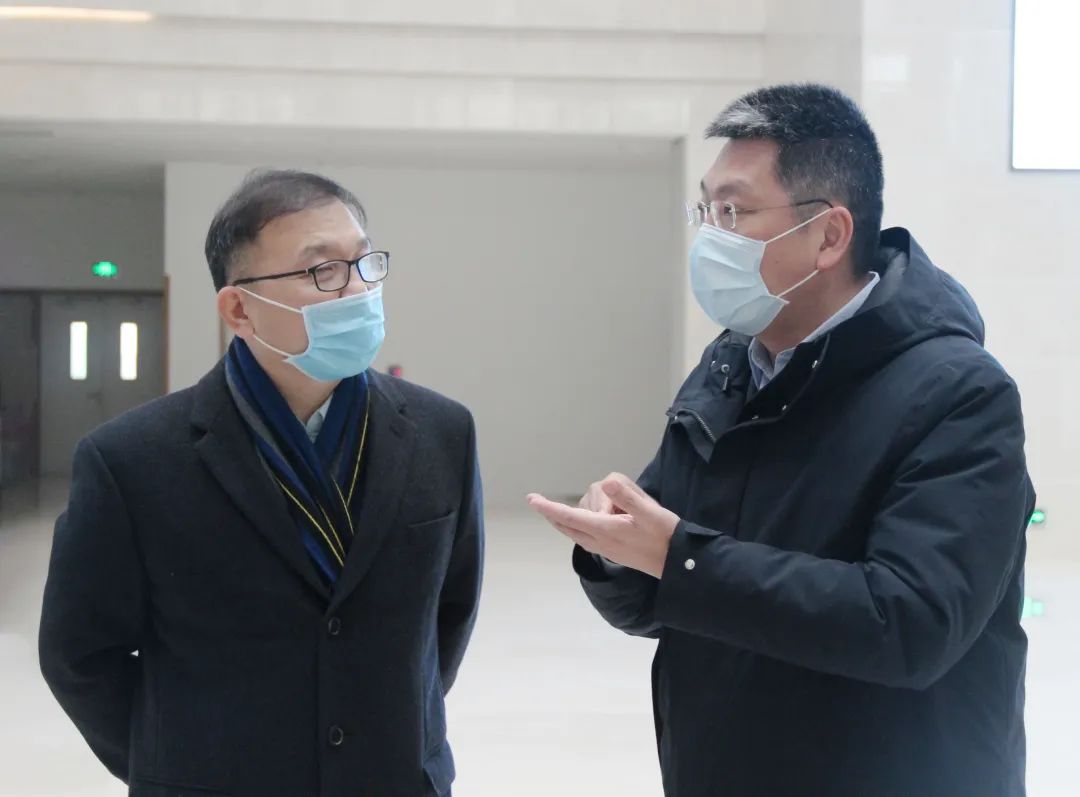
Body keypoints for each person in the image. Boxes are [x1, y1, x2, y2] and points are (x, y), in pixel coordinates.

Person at [528, 84, 1033, 797]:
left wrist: (679, 558)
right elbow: (669, 596)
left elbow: (910, 624)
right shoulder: (730, 366)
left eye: (733, 212)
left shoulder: (958, 393)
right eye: (705, 210)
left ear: (829, 235)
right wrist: (616, 553)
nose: (711, 236)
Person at [40, 170, 483, 797]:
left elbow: (449, 615)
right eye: (322, 270)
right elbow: (79, 655)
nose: (357, 289)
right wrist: (175, 761)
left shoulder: (443, 432)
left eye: (365, 263)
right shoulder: (131, 460)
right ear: (239, 309)